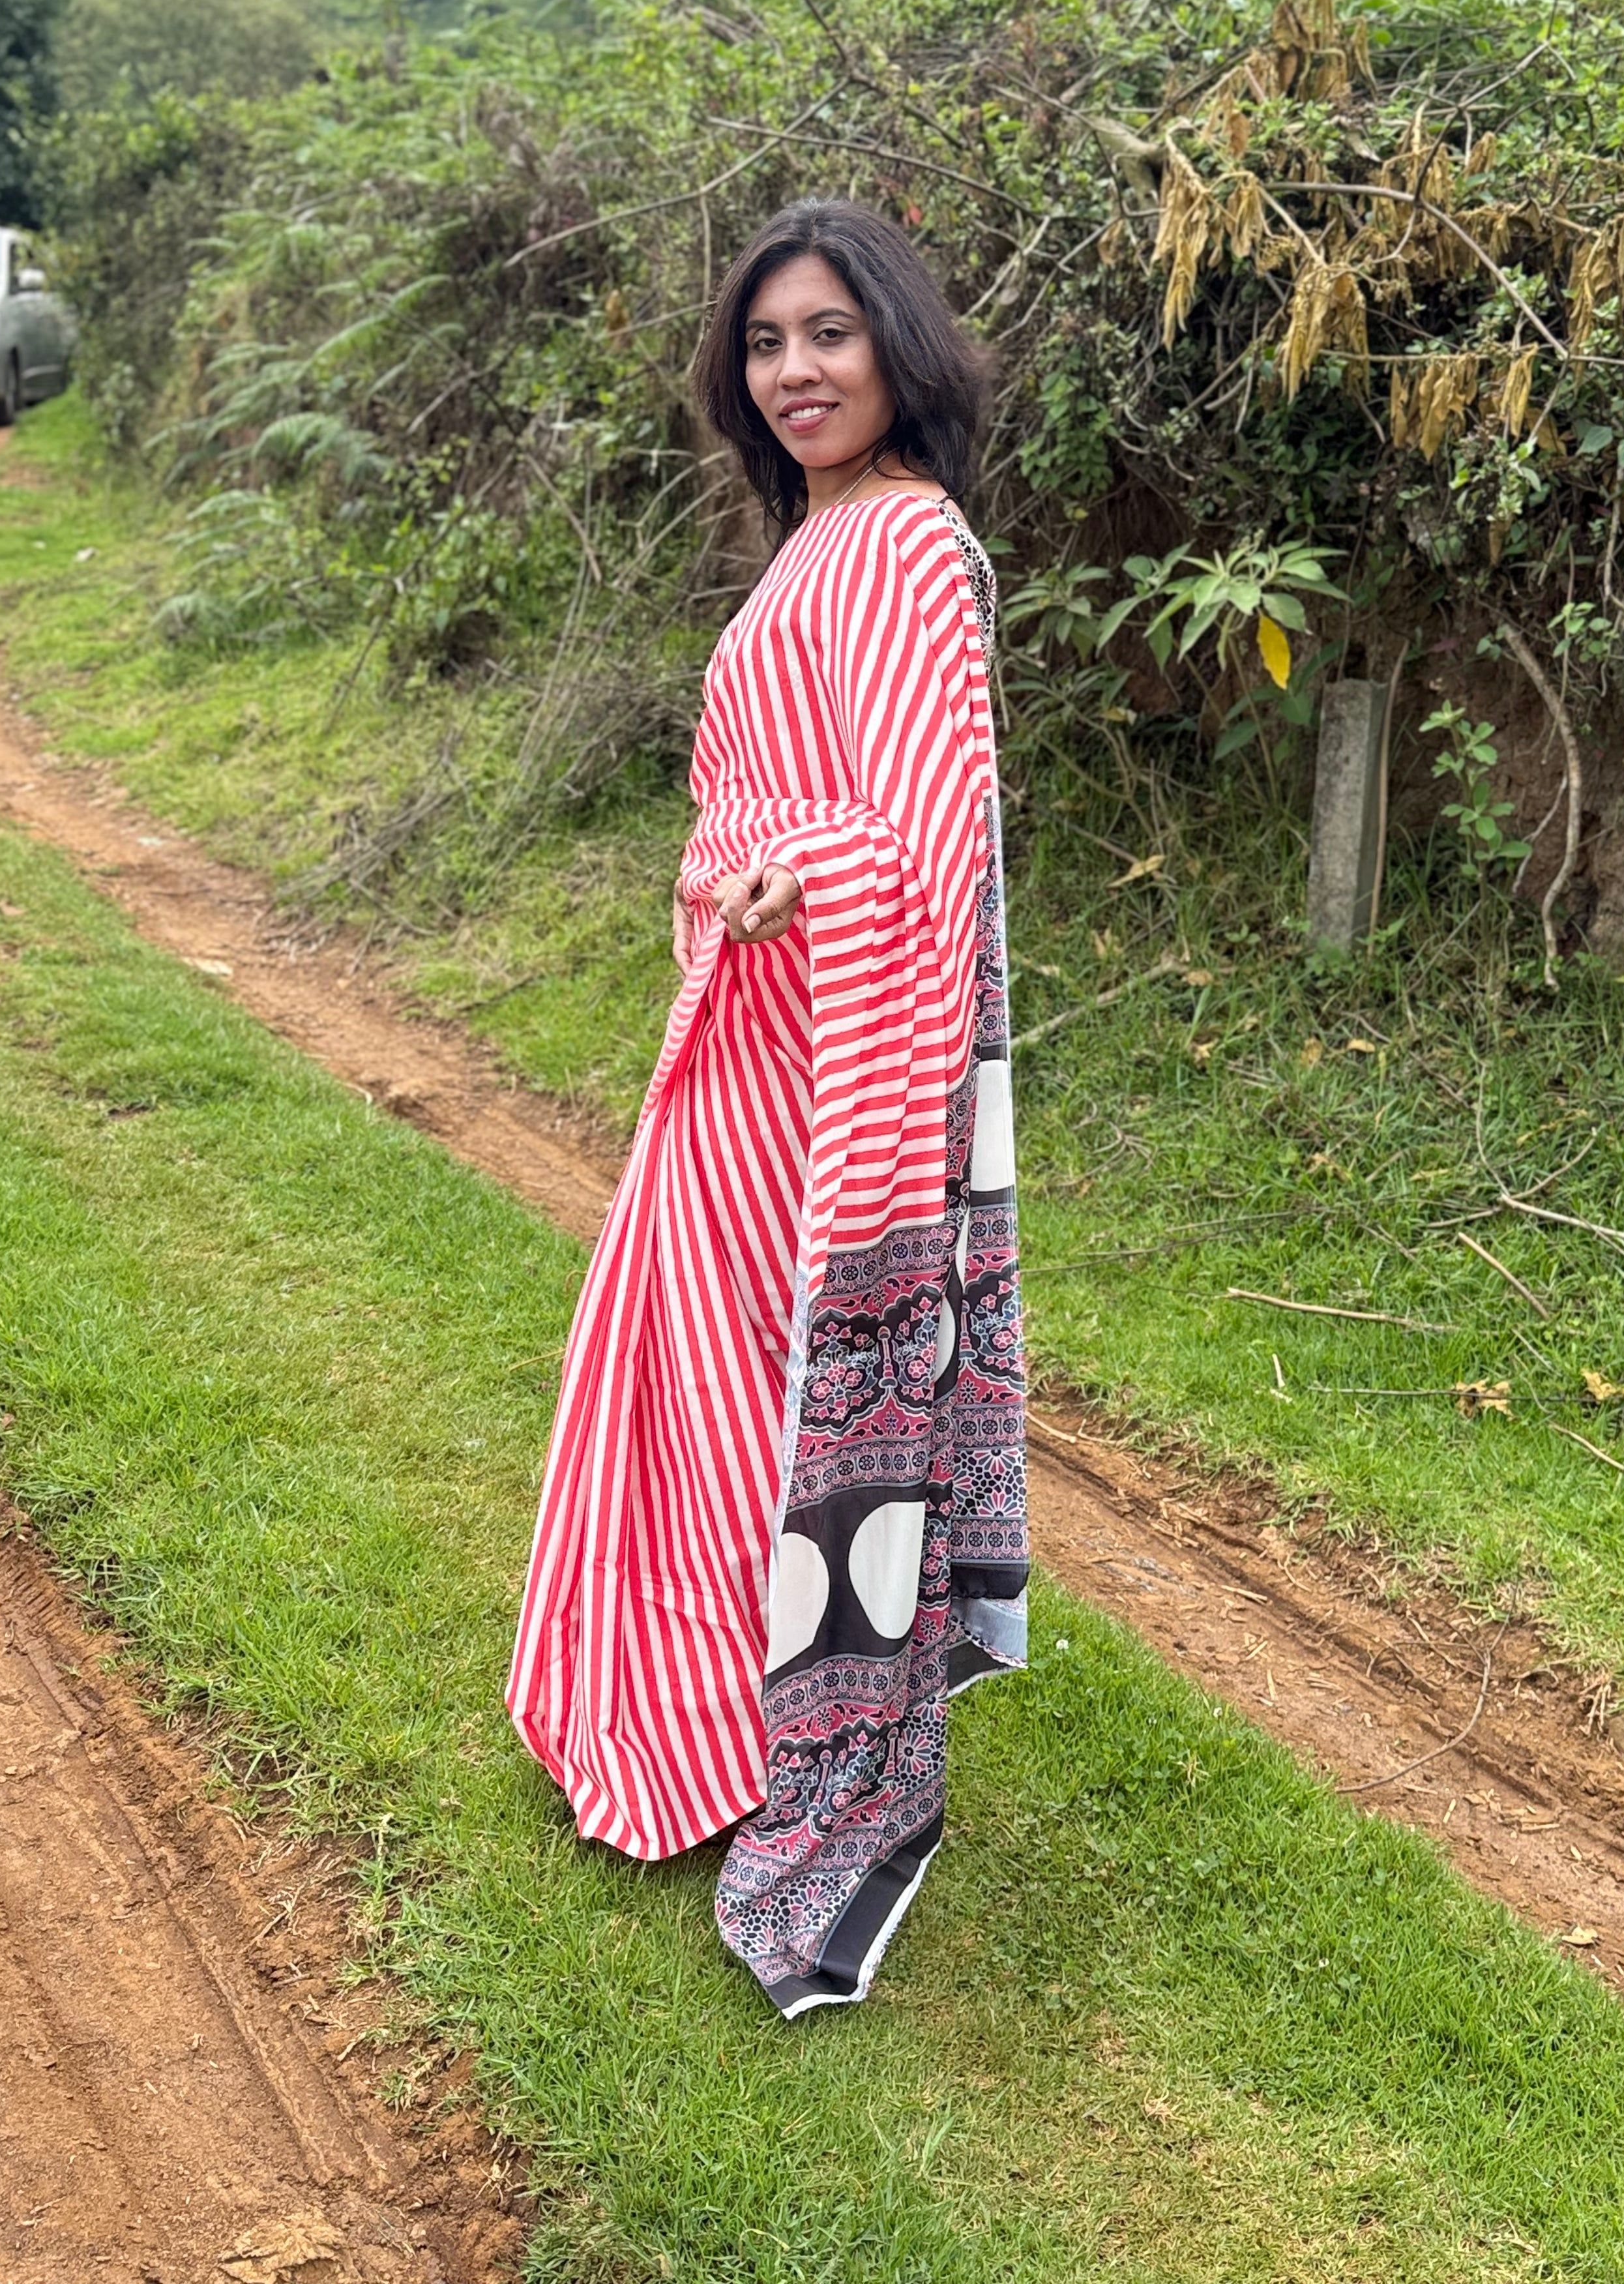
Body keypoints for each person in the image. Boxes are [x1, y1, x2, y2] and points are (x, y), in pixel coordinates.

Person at [508, 197, 1029, 2015]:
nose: (796, 370)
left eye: (828, 333)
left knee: (759, 1392)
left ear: (897, 343)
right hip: (743, 1036)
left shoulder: (902, 549)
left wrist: (789, 876)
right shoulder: (813, 539)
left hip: (827, 1059)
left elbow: (923, 838)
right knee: (704, 1391)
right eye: (764, 343)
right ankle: (698, 1723)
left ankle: (772, 1743)